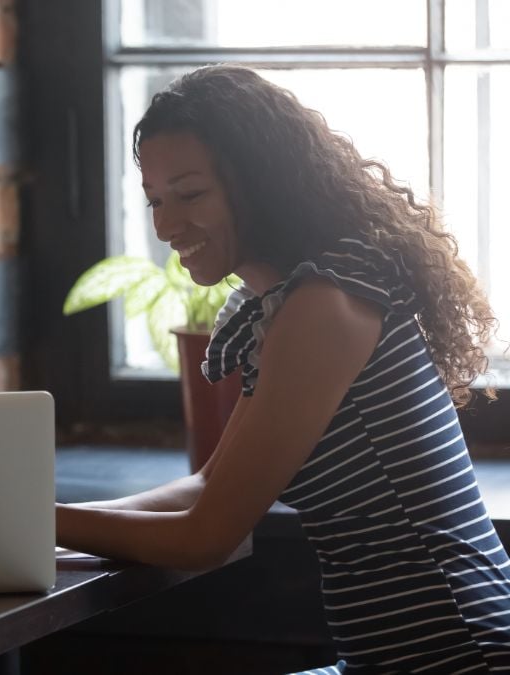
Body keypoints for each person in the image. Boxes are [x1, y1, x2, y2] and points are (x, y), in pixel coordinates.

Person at [56, 65, 510, 673]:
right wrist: (38, 523)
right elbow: (205, 488)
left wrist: (30, 524)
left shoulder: (327, 305)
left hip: (461, 659)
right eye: (156, 201)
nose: (165, 226)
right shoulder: (284, 303)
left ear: (260, 181)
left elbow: (207, 538)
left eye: (190, 195)